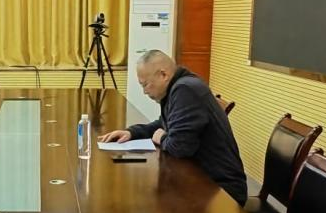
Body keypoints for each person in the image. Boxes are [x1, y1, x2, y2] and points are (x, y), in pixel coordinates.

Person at [98, 50, 248, 204]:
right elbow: (164, 123)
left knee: (147, 203)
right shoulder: (179, 86)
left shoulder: (185, 90)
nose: (144, 92)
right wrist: (132, 132)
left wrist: (161, 137)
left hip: (221, 189)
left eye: (145, 84)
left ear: (163, 75)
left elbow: (180, 147)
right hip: (200, 178)